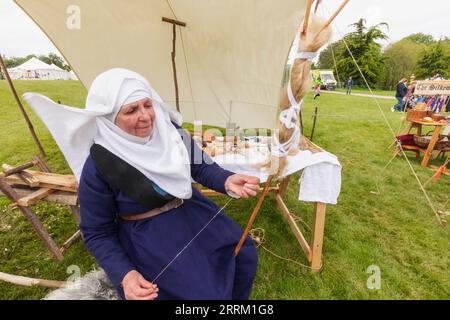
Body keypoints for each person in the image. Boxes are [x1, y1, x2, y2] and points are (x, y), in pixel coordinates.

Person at [24, 68, 261, 300]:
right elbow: (97, 232)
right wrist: (125, 274)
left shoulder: (171, 134)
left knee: (243, 254)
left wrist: (227, 179)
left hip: (192, 212)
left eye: (147, 105)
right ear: (109, 117)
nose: (146, 116)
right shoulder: (99, 165)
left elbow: (200, 167)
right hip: (148, 234)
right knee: (201, 293)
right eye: (131, 110)